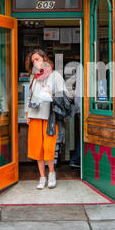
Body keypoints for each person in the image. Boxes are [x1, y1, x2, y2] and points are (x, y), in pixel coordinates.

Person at [25, 49, 67, 190]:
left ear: (44, 58)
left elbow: (65, 96)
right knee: (38, 148)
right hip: (35, 116)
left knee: (49, 147)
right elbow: (29, 97)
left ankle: (52, 174)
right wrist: (27, 113)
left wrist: (52, 95)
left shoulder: (55, 76)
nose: (36, 63)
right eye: (33, 61)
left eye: (37, 59)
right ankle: (42, 177)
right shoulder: (33, 77)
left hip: (50, 116)